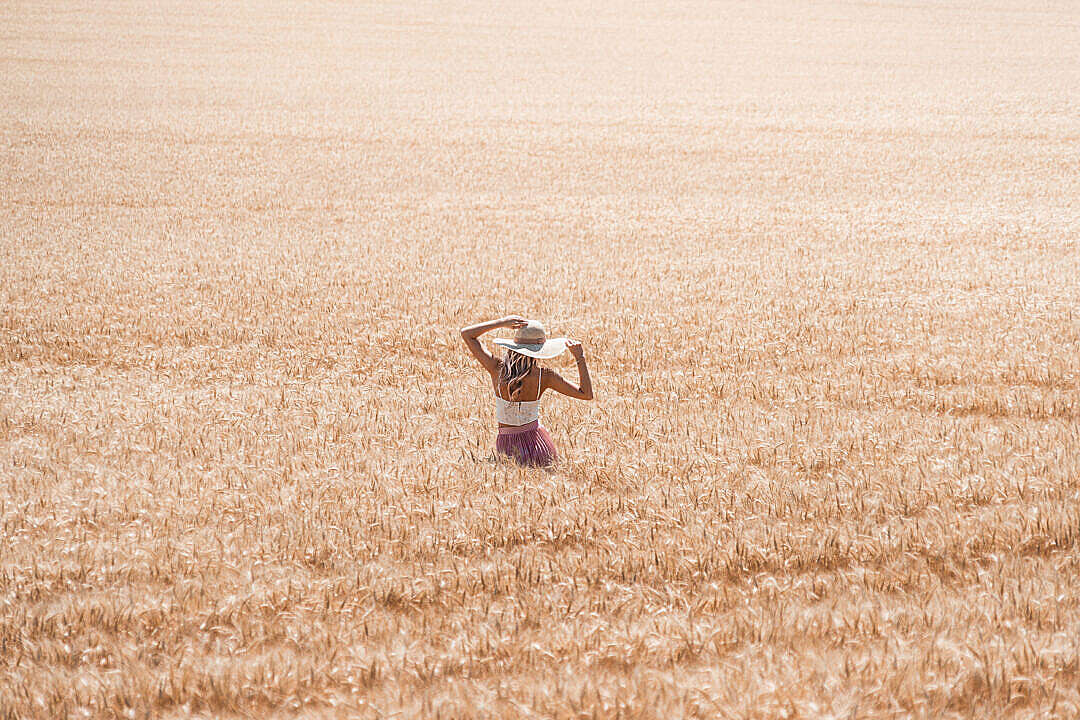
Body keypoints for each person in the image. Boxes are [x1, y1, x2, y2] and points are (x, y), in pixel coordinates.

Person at [460, 315, 594, 466]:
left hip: (507, 445)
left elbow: (467, 334)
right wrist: (579, 357)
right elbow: (586, 394)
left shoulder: (496, 368)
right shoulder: (545, 376)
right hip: (539, 443)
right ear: (539, 350)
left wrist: (502, 322)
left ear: (514, 345)